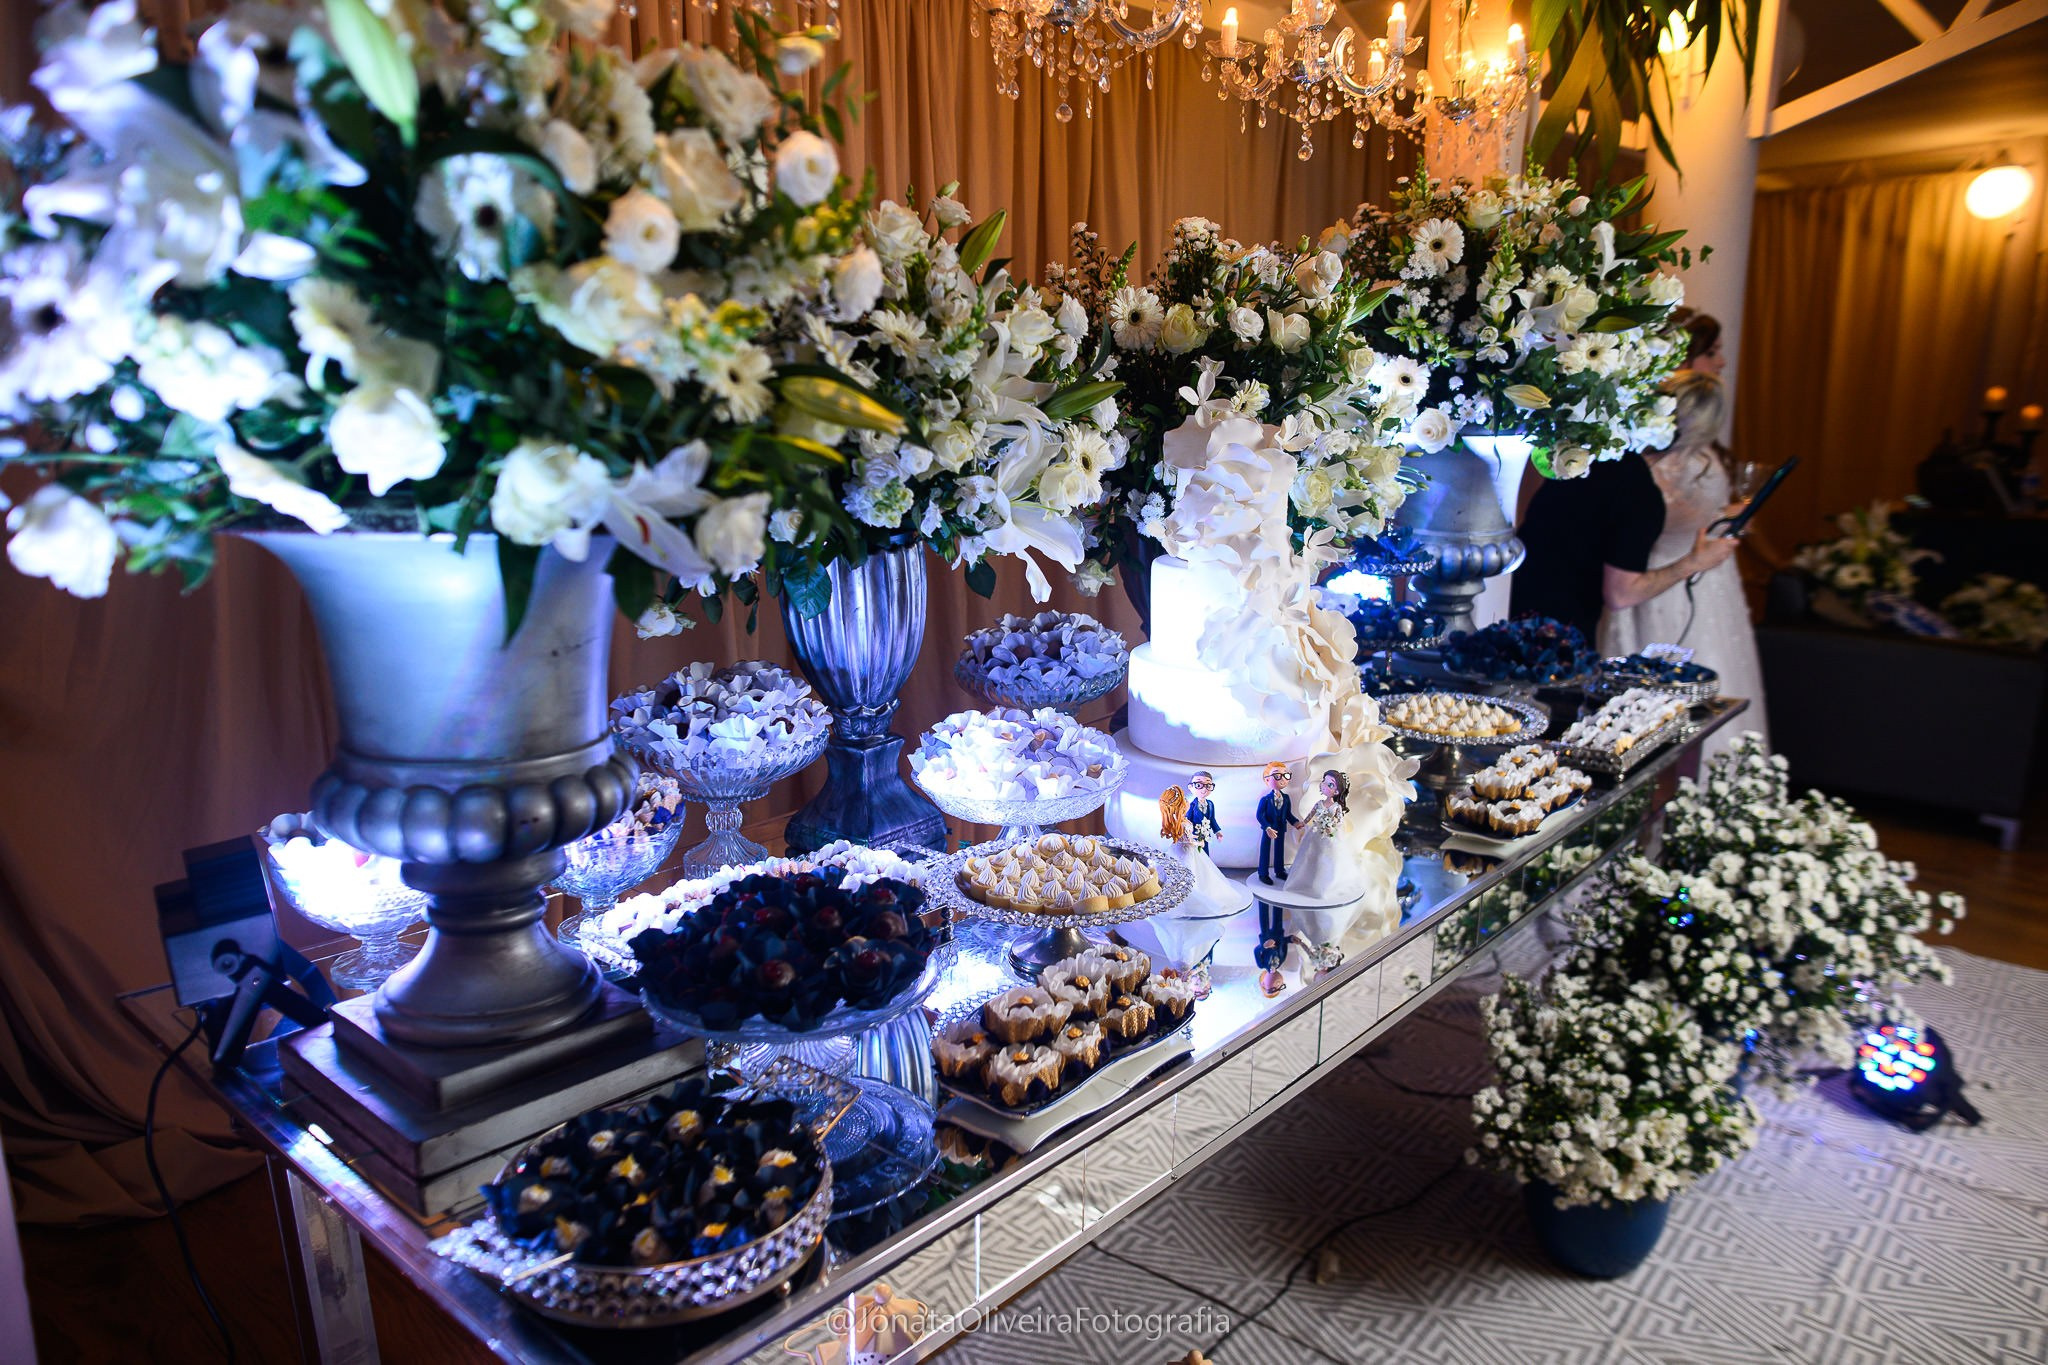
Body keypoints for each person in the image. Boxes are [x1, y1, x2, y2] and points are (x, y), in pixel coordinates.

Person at [1599, 371, 1770, 751]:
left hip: (1677, 578)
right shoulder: (1658, 470)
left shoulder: (1666, 465)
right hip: (1657, 579)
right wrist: (1726, 516)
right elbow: (1673, 521)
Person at [1511, 446, 1741, 644]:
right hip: (1556, 636)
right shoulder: (1635, 487)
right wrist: (1693, 562)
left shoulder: (1581, 459)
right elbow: (1621, 595)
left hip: (1513, 609)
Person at [1275, 770, 1357, 904]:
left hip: (1329, 835)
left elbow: (1340, 821)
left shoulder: (1336, 807)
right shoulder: (1319, 803)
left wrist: (1332, 825)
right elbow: (1310, 815)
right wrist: (1303, 823)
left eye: (1330, 785)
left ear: (1336, 792)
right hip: (1315, 833)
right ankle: (1305, 882)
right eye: (1324, 781)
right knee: (1309, 856)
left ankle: (1323, 887)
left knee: (1326, 860)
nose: (1324, 785)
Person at [1254, 762, 1298, 886]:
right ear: (1267, 780)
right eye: (1277, 776)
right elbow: (1259, 815)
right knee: (1265, 850)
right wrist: (1267, 827)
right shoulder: (1265, 799)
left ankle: (1280, 871)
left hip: (1281, 827)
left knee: (1280, 850)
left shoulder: (1287, 798)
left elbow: (1288, 814)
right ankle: (1263, 873)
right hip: (1268, 829)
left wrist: (1295, 823)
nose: (1283, 779)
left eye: (1286, 775)